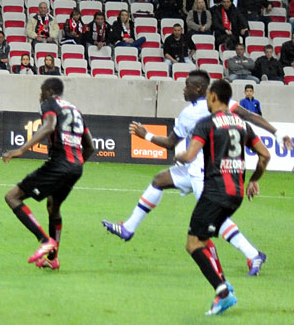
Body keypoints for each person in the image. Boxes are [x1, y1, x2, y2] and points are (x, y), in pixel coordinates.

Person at [104, 71, 288, 274]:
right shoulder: (199, 110)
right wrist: (276, 132)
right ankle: (129, 227)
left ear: (198, 88)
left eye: (187, 85)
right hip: (193, 168)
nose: (184, 89)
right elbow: (249, 117)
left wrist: (147, 136)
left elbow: (171, 145)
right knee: (160, 180)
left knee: (214, 218)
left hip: (204, 172)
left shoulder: (198, 112)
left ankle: (253, 254)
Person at [174, 79, 270, 315]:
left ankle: (222, 292)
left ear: (214, 97)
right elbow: (265, 155)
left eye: (208, 97)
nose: (206, 101)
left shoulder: (206, 124)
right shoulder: (241, 124)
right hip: (236, 193)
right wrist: (254, 180)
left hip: (215, 191)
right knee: (205, 239)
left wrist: (180, 156)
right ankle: (224, 285)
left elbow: (190, 155)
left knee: (193, 243)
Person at [2, 78, 95, 269]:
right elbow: (90, 146)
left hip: (59, 164)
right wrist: (74, 165)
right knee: (53, 206)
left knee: (12, 197)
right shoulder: (74, 109)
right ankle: (53, 259)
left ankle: (45, 241)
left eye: (41, 91)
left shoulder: (49, 104)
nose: (39, 95)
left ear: (49, 91)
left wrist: (22, 150)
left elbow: (49, 126)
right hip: (76, 167)